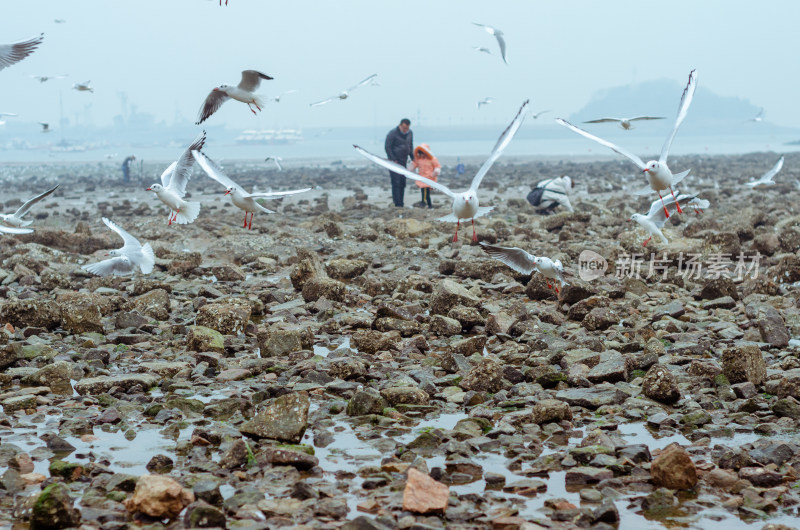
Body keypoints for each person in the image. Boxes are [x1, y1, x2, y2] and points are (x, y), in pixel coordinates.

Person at [384, 118, 413, 207]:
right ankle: (397, 203)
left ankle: (401, 202)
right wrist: (393, 159)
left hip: (404, 161)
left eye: (407, 128)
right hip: (394, 162)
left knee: (402, 182)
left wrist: (413, 157)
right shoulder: (392, 133)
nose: (405, 130)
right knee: (396, 182)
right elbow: (387, 147)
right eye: (404, 128)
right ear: (400, 125)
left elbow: (410, 145)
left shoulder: (410, 133)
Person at [410, 144, 441, 208]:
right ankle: (428, 204)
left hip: (429, 178)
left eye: (422, 153)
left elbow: (437, 166)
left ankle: (425, 203)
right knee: (424, 191)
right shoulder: (419, 159)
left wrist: (436, 172)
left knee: (426, 191)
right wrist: (410, 168)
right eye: (420, 153)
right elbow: (414, 164)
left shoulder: (432, 159)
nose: (421, 155)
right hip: (422, 178)